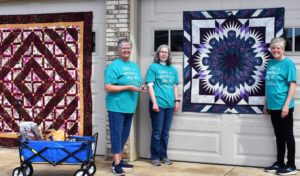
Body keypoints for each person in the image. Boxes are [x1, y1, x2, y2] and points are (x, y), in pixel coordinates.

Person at [104, 38, 144, 176]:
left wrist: (140, 87)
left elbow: (137, 83)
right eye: (124, 48)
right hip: (116, 106)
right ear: (118, 50)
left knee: (124, 134)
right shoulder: (114, 66)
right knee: (116, 134)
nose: (127, 50)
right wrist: (127, 87)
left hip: (129, 107)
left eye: (128, 48)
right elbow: (108, 87)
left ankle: (119, 160)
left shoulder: (134, 66)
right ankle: (116, 164)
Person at [264, 37, 297, 175]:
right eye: (273, 47)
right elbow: (268, 85)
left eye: (278, 48)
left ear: (283, 49)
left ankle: (291, 165)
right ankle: (280, 163)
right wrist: (266, 103)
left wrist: (286, 105)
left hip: (284, 106)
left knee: (288, 135)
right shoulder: (270, 63)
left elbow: (293, 85)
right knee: (279, 136)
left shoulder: (288, 64)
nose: (275, 50)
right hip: (273, 106)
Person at [145, 44, 180, 166]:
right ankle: (155, 157)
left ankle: (164, 156)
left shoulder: (173, 70)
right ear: (158, 54)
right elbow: (150, 85)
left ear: (169, 55)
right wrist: (154, 102)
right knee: (157, 132)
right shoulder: (153, 67)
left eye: (166, 52)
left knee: (165, 132)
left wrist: (176, 101)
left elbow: (175, 86)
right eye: (162, 52)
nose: (164, 54)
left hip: (170, 105)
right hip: (158, 105)